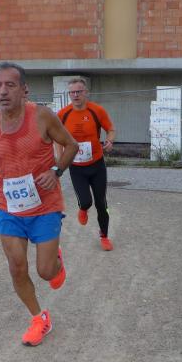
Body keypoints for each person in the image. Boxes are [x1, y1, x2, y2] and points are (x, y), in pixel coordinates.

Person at [0, 62, 78, 346]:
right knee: (16, 267)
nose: (3, 91)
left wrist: (56, 172)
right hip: (8, 207)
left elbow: (71, 145)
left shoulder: (42, 117)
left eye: (10, 85)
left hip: (45, 206)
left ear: (24, 90)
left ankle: (55, 262)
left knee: (45, 271)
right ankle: (39, 318)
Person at [56, 78, 116, 251]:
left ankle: (104, 236)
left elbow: (110, 129)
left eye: (79, 91)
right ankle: (83, 208)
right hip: (76, 167)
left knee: (101, 203)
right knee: (86, 201)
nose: (75, 95)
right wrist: (60, 159)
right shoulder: (63, 114)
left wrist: (110, 141)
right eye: (72, 92)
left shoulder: (97, 110)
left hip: (97, 165)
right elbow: (57, 139)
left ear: (86, 92)